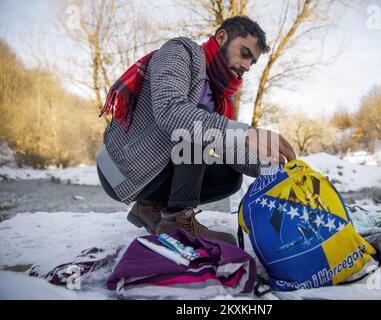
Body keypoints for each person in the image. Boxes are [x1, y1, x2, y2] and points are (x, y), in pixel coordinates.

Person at [96, 16, 296, 246]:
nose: (247, 66)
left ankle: (151, 208)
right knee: (197, 121)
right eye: (244, 53)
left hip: (157, 165)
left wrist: (275, 167)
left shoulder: (223, 96)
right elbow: (171, 111)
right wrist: (247, 133)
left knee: (229, 177)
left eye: (252, 62)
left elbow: (226, 147)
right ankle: (177, 222)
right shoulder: (180, 52)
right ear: (221, 37)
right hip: (123, 166)